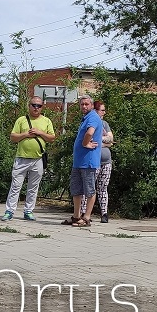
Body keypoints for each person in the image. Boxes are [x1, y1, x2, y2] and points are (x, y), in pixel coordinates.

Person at [3, 96, 54, 221]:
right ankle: (9, 211)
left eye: (39, 106)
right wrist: (26, 134)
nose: (36, 108)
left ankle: (28, 211)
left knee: (33, 187)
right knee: (15, 186)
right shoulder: (21, 120)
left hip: (38, 159)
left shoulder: (46, 121)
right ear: (29, 106)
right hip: (22, 158)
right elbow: (13, 137)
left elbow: (52, 138)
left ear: (42, 107)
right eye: (34, 105)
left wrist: (40, 133)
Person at [64, 93, 103, 227]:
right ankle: (76, 216)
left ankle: (86, 217)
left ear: (92, 105)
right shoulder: (85, 118)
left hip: (88, 161)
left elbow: (90, 132)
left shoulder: (93, 117)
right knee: (76, 190)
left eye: (87, 104)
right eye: (82, 104)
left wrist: (85, 143)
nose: (84, 106)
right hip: (79, 161)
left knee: (89, 190)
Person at [93, 99, 113, 223]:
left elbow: (111, 140)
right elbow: (91, 141)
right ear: (96, 111)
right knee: (89, 188)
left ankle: (104, 213)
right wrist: (104, 141)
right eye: (102, 110)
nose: (104, 113)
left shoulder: (105, 124)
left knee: (103, 187)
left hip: (106, 161)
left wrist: (101, 141)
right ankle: (84, 212)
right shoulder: (91, 123)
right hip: (94, 162)